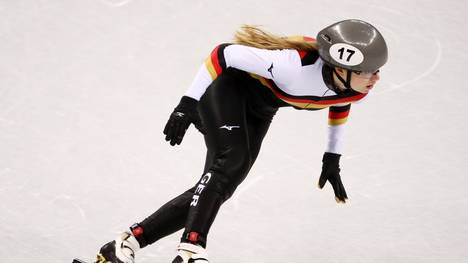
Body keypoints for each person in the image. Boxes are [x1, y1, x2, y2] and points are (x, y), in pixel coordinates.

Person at [90, 19, 388, 263]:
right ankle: (191, 251)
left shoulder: (355, 88)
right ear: (340, 67)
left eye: (377, 71)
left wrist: (332, 157)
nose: (375, 78)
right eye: (368, 72)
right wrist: (187, 103)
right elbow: (224, 54)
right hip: (224, 90)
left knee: (221, 185)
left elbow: (339, 102)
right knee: (229, 165)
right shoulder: (291, 65)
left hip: (261, 109)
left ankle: (125, 244)